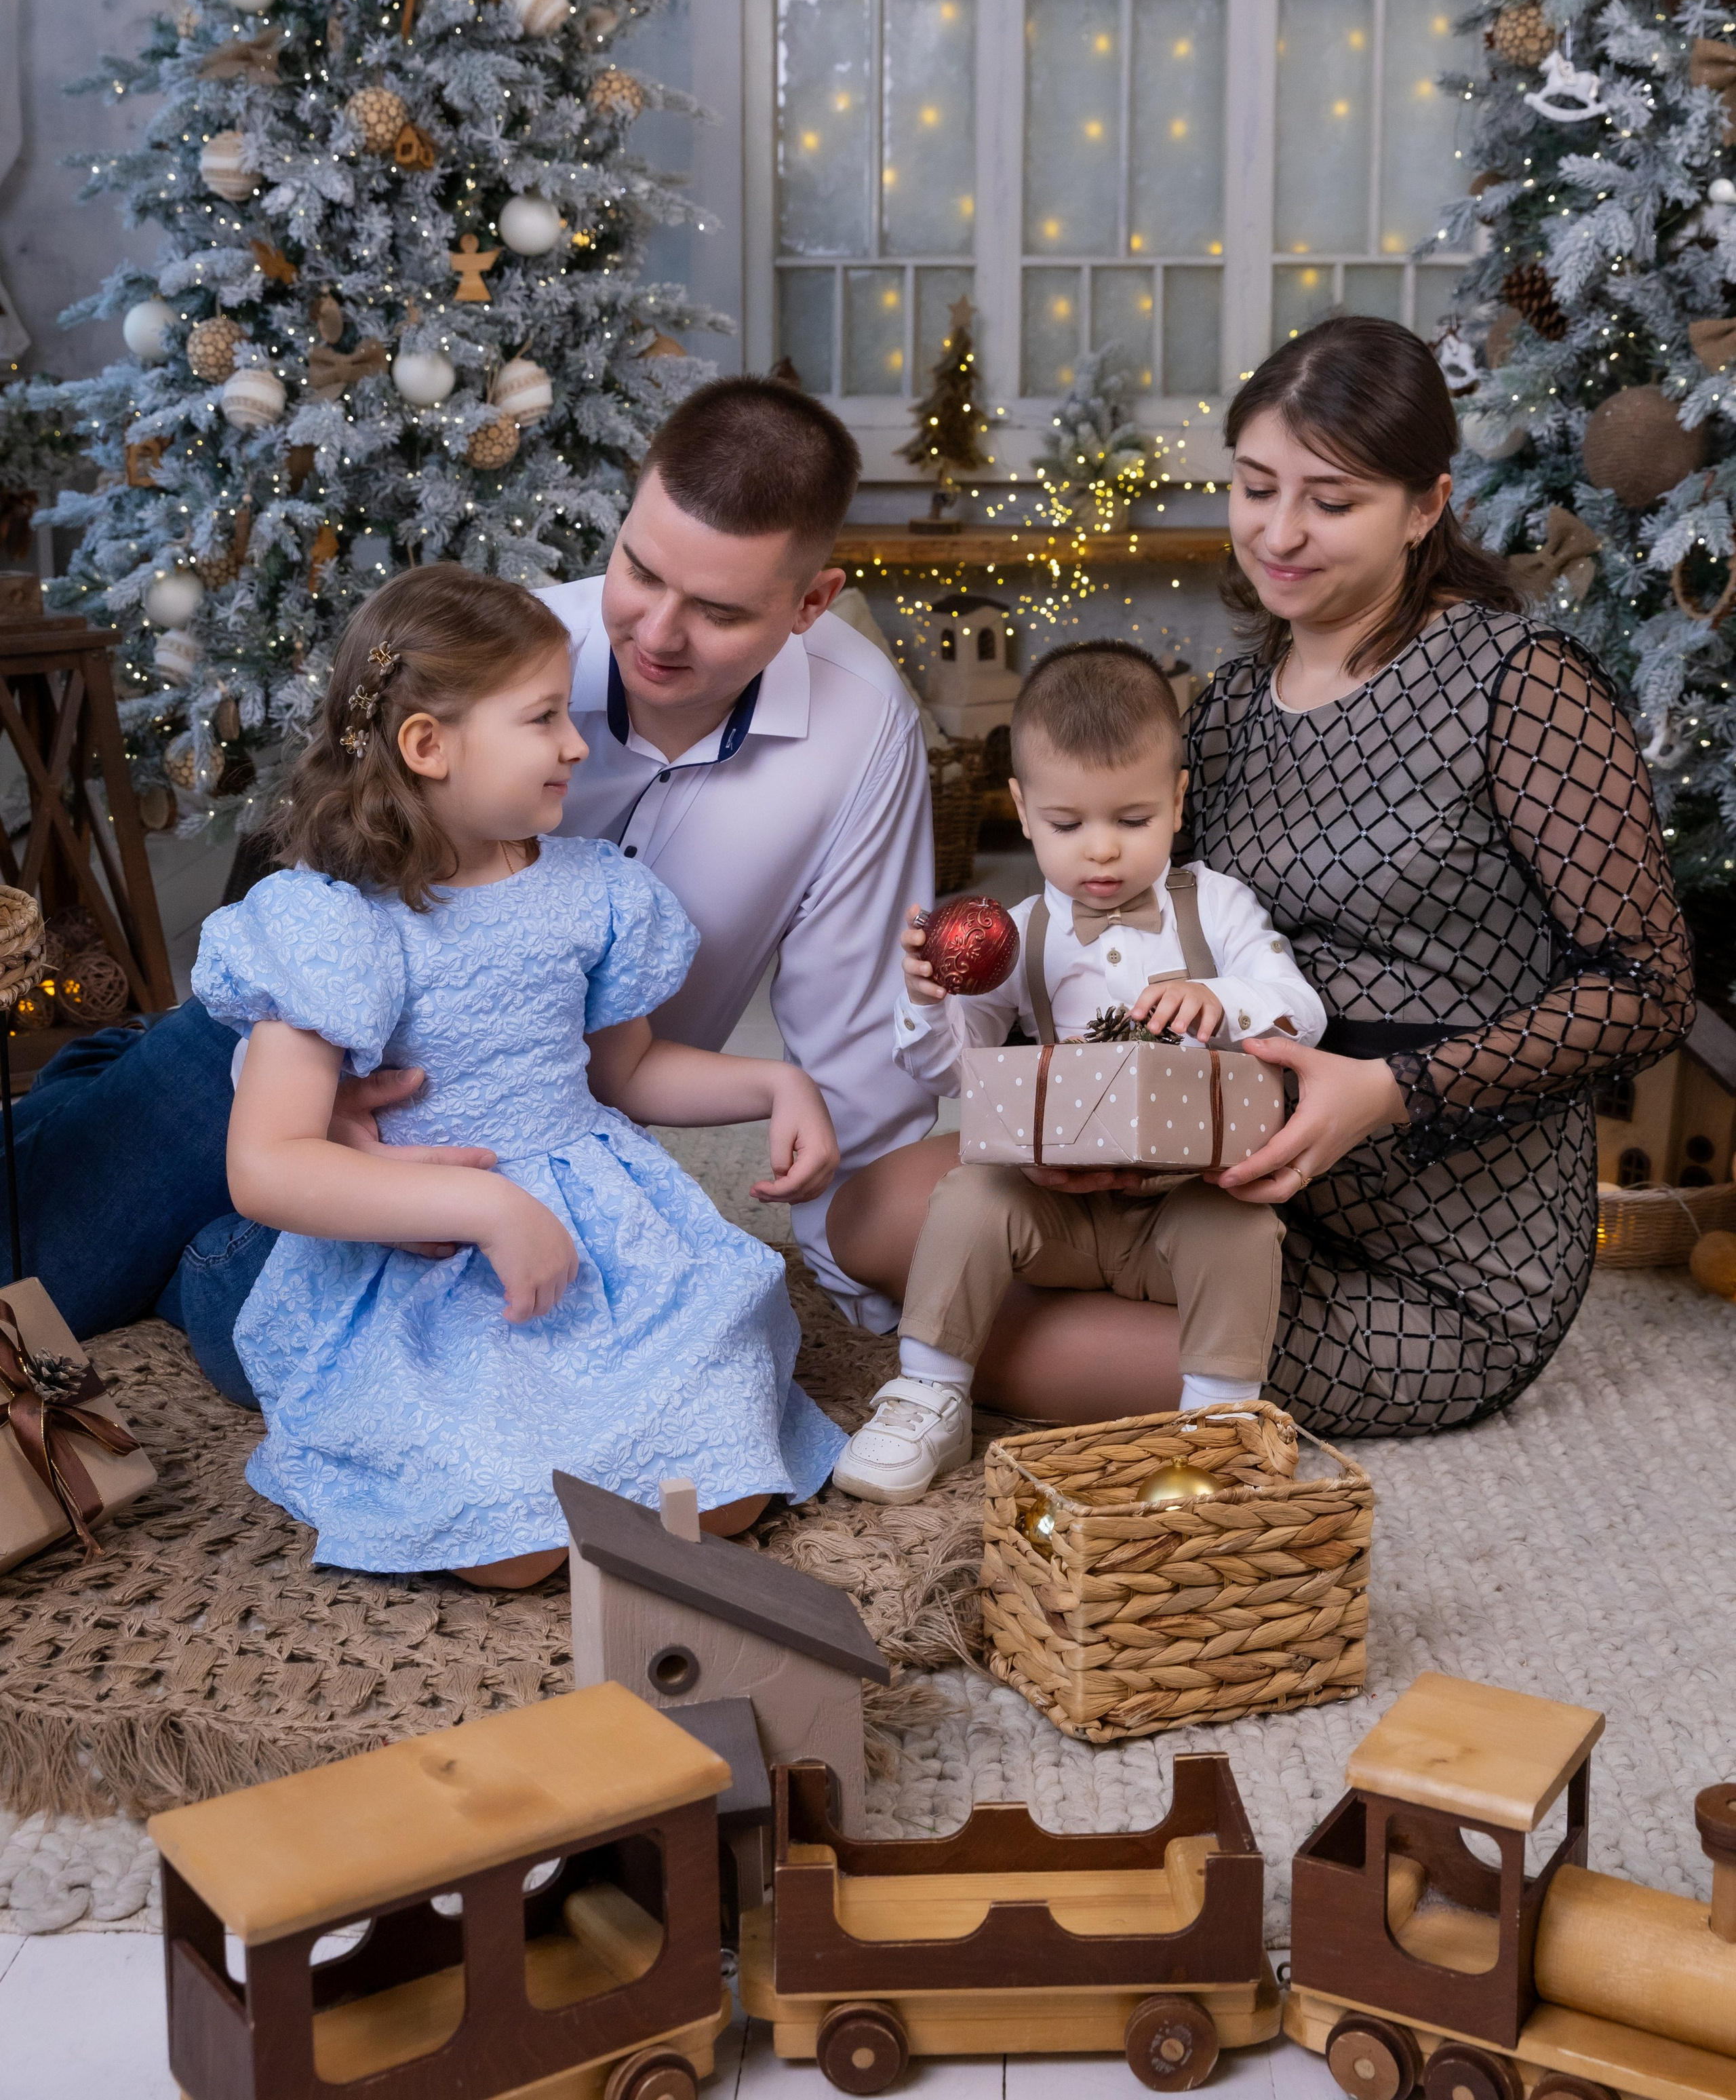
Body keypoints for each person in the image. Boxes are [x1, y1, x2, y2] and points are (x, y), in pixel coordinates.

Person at [827, 318, 1695, 1438]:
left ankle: (1142, 1331)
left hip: (1430, 1245)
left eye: (1331, 502)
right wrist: (1079, 1105)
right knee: (871, 1216)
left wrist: (1391, 1091)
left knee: (1000, 1353)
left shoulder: (1522, 686)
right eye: (1253, 487)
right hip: (1214, 1167)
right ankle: (1096, 1273)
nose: (1280, 534)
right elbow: (1158, 940)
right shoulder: (1233, 707)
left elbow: (1649, 986)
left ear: (1426, 506)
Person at [12, 378, 933, 1393]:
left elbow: (860, 1018)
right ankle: (112, 1088)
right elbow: (332, 885)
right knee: (47, 1279)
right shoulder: (517, 650)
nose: (660, 633)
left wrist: (862, 1284)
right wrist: (313, 1109)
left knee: (295, 1339)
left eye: (717, 610)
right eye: (640, 569)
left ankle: (189, 1232)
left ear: (811, 601)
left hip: (535, 1138)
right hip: (297, 1054)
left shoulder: (862, 729)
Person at [193, 564, 844, 1584]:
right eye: (544, 718)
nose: (578, 745)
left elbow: (628, 1074)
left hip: (600, 1232)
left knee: (728, 1488)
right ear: (427, 745)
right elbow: (266, 1166)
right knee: (513, 1540)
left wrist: (774, 1085)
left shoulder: (594, 891)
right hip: (430, 1257)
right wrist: (488, 1207)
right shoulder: (337, 920)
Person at [830, 642, 1326, 1501]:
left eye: (1131, 820)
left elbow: (1300, 1005)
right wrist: (925, 998)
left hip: (1178, 1206)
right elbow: (954, 1073)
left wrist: (1223, 998)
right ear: (1021, 810)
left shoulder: (1214, 902)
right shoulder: (1019, 930)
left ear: (1176, 800)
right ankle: (929, 1389)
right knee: (970, 1193)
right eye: (1068, 825)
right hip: (1058, 1205)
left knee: (1242, 1231)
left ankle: (1216, 1423)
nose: (1101, 853)